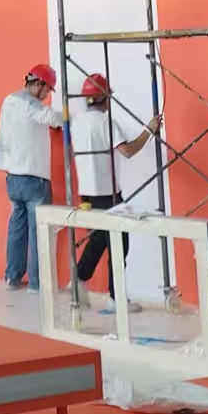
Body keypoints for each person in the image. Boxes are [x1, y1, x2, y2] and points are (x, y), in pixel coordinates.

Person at [69, 74, 161, 310]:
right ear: (104, 97)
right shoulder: (105, 122)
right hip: (107, 194)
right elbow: (128, 151)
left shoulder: (77, 122)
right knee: (119, 244)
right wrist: (149, 130)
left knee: (98, 240)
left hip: (87, 193)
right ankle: (115, 298)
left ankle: (79, 280)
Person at [0, 63, 64, 291]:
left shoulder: (9, 101)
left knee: (17, 228)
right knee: (38, 231)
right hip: (34, 178)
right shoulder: (30, 104)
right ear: (39, 84)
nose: (47, 96)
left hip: (13, 176)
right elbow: (50, 116)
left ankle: (12, 277)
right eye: (47, 90)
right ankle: (37, 283)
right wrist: (69, 116)